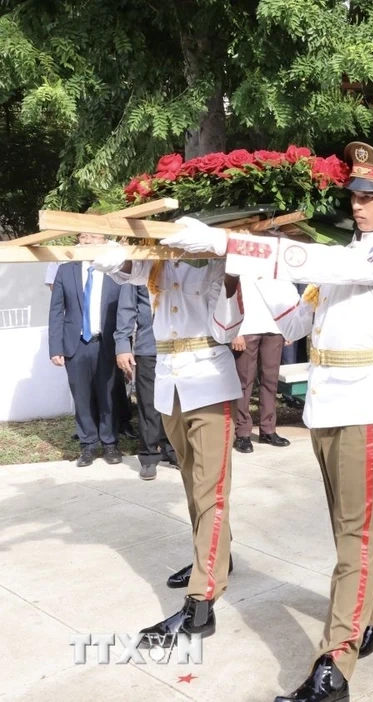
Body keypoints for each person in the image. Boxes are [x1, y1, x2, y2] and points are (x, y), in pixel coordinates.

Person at [244, 142, 373, 702]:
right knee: (360, 520)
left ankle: (334, 666)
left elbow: (328, 263)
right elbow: (294, 324)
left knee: (353, 537)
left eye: (371, 194)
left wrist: (249, 243)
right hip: (326, 406)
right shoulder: (345, 257)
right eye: (354, 194)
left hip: (362, 405)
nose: (359, 204)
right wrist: (243, 275)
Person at [92, 217, 245, 648]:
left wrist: (229, 268)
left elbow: (230, 327)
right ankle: (215, 559)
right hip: (170, 383)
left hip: (209, 380)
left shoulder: (216, 256)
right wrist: (111, 257)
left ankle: (202, 601)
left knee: (211, 491)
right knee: (194, 487)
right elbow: (131, 269)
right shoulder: (159, 258)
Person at [49, 232, 123, 467]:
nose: (88, 241)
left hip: (106, 343)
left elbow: (125, 310)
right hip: (76, 344)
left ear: (104, 241)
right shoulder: (66, 270)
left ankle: (110, 443)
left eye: (94, 236)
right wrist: (55, 347)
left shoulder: (116, 271)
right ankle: (88, 445)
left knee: (108, 395)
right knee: (81, 397)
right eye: (83, 236)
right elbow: (56, 311)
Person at [115, 284, 178, 480]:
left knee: (176, 403)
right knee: (148, 404)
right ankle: (149, 455)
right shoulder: (138, 267)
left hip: (179, 347)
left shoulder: (177, 263)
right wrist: (123, 345)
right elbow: (126, 309)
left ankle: (174, 449)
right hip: (149, 347)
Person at [231, 280, 292, 453]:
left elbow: (286, 295)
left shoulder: (276, 264)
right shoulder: (241, 260)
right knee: (244, 383)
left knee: (271, 382)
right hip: (247, 327)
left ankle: (268, 429)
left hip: (274, 328)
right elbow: (229, 298)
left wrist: (288, 327)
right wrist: (236, 332)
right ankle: (242, 433)